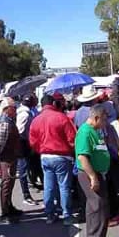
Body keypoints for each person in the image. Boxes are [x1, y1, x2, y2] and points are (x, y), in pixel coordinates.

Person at [29, 93, 77, 224]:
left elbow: (32, 141)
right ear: (54, 104)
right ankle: (67, 215)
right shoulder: (61, 118)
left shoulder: (36, 120)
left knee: (49, 186)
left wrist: (41, 150)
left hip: (45, 156)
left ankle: (50, 214)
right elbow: (72, 139)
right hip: (62, 156)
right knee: (64, 186)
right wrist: (72, 152)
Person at [75, 104, 111, 237]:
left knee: (96, 207)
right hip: (90, 174)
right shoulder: (85, 132)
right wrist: (93, 177)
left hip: (97, 173)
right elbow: (83, 158)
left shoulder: (95, 131)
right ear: (96, 118)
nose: (105, 122)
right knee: (98, 207)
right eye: (103, 119)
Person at [0, 101, 24, 223]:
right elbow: (0, 142)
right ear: (7, 109)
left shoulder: (8, 120)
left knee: (10, 182)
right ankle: (5, 212)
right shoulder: (5, 123)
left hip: (10, 156)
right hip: (7, 157)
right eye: (13, 108)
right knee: (6, 183)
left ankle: (9, 207)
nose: (15, 110)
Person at [16, 95, 37, 206]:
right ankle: (26, 195)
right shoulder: (24, 114)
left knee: (28, 167)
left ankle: (31, 185)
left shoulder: (26, 112)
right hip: (22, 144)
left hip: (25, 143)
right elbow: (20, 131)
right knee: (23, 170)